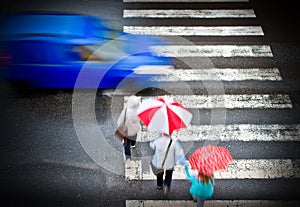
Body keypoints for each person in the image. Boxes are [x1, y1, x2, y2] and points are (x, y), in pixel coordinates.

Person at [117, 95, 141, 161]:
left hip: (127, 130)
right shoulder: (138, 111)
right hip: (134, 130)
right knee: (133, 138)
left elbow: (120, 121)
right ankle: (133, 144)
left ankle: (128, 157)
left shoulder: (126, 111)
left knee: (126, 143)